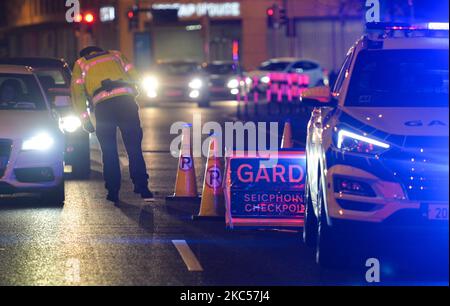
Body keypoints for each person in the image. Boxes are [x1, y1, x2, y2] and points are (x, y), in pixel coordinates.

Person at [71, 46, 154, 203]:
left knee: (109, 151)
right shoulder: (116, 55)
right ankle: (142, 187)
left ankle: (113, 191)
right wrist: (136, 93)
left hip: (104, 108)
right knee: (134, 147)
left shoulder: (80, 63)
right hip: (126, 103)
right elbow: (135, 75)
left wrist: (85, 120)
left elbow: (78, 94)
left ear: (85, 54)